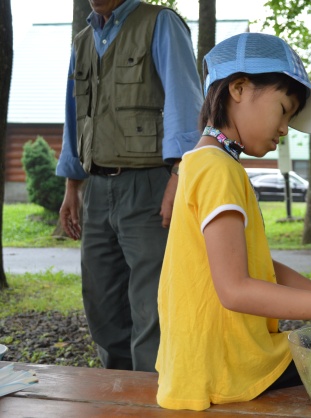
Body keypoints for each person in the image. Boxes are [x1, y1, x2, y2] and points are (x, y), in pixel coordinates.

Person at [155, 32, 311, 411]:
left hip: (216, 358)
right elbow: (234, 290)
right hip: (227, 367)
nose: (286, 129)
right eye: (284, 109)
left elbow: (261, 268)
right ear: (238, 87)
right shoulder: (216, 168)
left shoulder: (206, 162)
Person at [56, 0, 203, 372]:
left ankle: (150, 401)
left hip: (151, 185)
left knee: (151, 306)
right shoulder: (83, 41)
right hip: (97, 190)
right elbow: (75, 116)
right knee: (101, 305)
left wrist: (178, 177)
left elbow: (185, 103)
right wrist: (72, 185)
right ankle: (118, 396)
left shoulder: (161, 24)